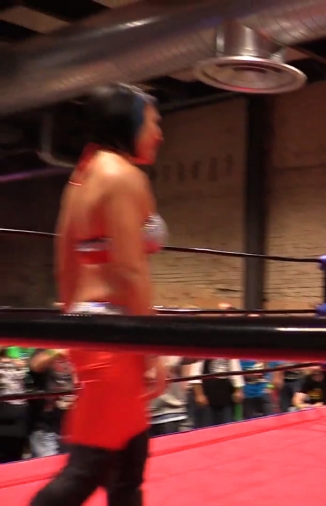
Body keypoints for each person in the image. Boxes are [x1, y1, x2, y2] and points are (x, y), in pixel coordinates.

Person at [30, 83, 167, 506]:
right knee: (86, 470)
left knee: (128, 461)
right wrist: (152, 349)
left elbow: (64, 265)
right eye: (153, 122)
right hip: (116, 335)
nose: (159, 134)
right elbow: (129, 270)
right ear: (128, 123)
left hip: (94, 328)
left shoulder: (81, 178)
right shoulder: (122, 176)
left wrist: (74, 331)